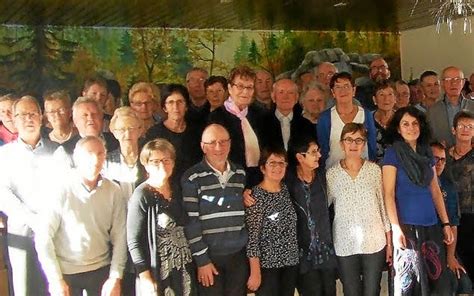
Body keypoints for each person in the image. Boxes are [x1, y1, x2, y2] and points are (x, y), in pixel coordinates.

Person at [35, 136, 127, 296]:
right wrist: (55, 279)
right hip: (66, 273)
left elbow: (120, 236)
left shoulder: (113, 190)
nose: (95, 159)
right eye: (89, 153)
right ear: (77, 157)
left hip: (101, 271)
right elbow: (43, 238)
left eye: (100, 154)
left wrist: (115, 277)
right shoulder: (59, 188)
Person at [382, 106, 454, 295]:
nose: (411, 127)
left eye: (415, 123)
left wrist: (445, 223)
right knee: (409, 285)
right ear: (398, 128)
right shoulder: (392, 154)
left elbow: (435, 191)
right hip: (406, 228)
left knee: (435, 284)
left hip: (430, 225)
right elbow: (388, 194)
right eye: (405, 124)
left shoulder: (427, 153)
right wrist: (396, 228)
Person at [0, 96, 60, 296]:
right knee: (25, 289)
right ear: (14, 121)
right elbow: (4, 194)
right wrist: (33, 219)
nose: (28, 119)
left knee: (55, 287)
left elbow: (64, 188)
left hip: (55, 232)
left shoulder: (57, 152)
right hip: (22, 233)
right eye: (22, 115)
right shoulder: (5, 155)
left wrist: (48, 220)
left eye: (33, 113)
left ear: (41, 117)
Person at [181, 124, 248, 296]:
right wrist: (202, 261)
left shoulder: (240, 173)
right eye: (212, 143)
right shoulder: (192, 177)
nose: (218, 147)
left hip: (237, 256)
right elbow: (191, 222)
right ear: (203, 147)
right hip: (209, 257)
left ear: (230, 144)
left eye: (223, 142)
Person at [326, 123, 391, 296]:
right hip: (344, 242)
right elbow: (321, 206)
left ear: (364, 144)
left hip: (374, 241)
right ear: (342, 144)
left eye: (358, 140)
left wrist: (389, 241)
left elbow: (383, 207)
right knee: (351, 290)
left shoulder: (374, 171)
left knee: (372, 290)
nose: (353, 144)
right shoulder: (331, 174)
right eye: (349, 140)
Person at [127, 139, 197, 296]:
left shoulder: (178, 190)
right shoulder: (141, 196)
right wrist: (144, 276)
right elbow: (133, 241)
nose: (162, 165)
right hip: (157, 271)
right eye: (155, 161)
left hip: (184, 266)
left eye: (166, 160)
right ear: (146, 165)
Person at [286, 138, 337, 296]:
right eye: (313, 152)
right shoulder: (288, 182)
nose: (319, 155)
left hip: (326, 252)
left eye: (318, 151)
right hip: (304, 254)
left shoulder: (323, 177)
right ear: (300, 157)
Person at [245, 147, 298, 296]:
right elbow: (252, 238)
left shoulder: (285, 190)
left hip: (290, 262)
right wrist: (255, 272)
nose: (278, 167)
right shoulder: (255, 196)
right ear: (263, 168)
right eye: (272, 163)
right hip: (268, 266)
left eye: (282, 163)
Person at [209, 66, 266, 186]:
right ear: (229, 88)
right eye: (240, 86)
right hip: (230, 181)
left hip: (260, 179)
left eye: (249, 87)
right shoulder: (216, 118)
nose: (245, 92)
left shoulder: (260, 114)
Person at [431, 142, 473, 294]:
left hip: (445, 245)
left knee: (462, 281)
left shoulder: (449, 187)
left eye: (442, 160)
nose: (439, 163)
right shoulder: (418, 185)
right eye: (435, 159)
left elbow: (453, 224)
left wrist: (450, 257)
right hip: (426, 243)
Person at [317, 72, 377, 169]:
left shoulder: (366, 115)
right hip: (333, 173)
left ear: (354, 90)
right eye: (338, 87)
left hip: (363, 173)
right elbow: (322, 150)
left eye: (346, 86)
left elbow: (372, 147)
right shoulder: (325, 118)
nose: (342, 91)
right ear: (333, 92)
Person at [145, 84, 202, 183]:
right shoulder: (154, 134)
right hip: (165, 187)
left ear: (186, 106)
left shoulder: (197, 132)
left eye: (180, 102)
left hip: (193, 187)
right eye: (170, 102)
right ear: (164, 107)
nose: (176, 107)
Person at [445, 111, 474, 281]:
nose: (466, 130)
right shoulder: (444, 157)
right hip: (451, 218)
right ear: (453, 130)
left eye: (470, 127)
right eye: (462, 126)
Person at [261, 79, 316, 152]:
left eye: (290, 92)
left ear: (296, 98)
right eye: (281, 92)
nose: (285, 97)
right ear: (273, 97)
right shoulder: (261, 123)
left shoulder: (307, 126)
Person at [427, 66, 474, 147]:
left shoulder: (472, 106)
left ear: (463, 83)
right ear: (442, 83)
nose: (453, 83)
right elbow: (429, 139)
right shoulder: (432, 111)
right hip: (443, 157)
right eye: (448, 80)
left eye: (457, 79)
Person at [104, 106, 145, 200]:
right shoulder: (106, 162)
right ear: (115, 133)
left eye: (131, 128)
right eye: (122, 130)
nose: (127, 134)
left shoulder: (148, 159)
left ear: (139, 130)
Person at [372, 81, 396, 162]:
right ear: (374, 99)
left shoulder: (402, 119)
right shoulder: (366, 120)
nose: (386, 99)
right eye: (381, 95)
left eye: (390, 94)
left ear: (395, 98)